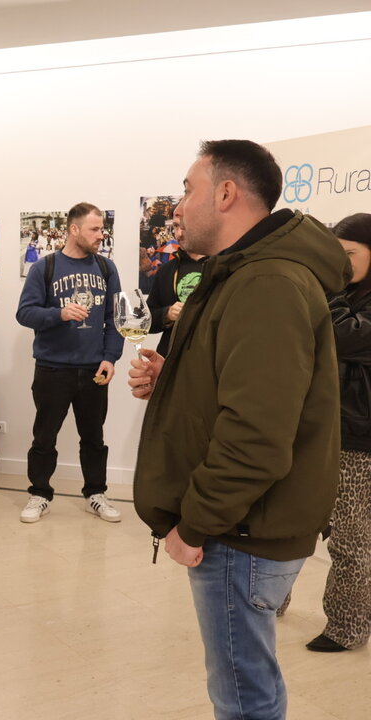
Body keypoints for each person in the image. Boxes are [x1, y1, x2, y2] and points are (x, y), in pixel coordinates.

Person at [128, 140, 349, 719]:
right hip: (242, 524)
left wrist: (195, 525)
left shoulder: (266, 282)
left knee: (244, 696)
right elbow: (242, 385)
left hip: (238, 530)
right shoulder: (243, 275)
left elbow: (257, 435)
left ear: (226, 194)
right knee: (247, 682)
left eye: (186, 189)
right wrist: (174, 377)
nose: (176, 205)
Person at [16, 202, 123, 524]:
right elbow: (24, 313)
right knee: (44, 436)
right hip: (52, 368)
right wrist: (58, 314)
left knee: (94, 437)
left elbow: (115, 317)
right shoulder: (44, 268)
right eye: (94, 229)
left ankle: (96, 493)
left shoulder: (106, 268)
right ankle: (39, 493)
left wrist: (110, 358)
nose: (100, 235)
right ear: (74, 229)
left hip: (93, 369)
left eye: (101, 229)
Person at [305, 212, 371, 653]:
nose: (341, 265)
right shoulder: (341, 295)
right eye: (336, 256)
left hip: (356, 438)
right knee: (292, 520)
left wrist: (326, 290)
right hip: (316, 428)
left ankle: (347, 626)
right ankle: (269, 601)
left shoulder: (339, 300)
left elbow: (340, 336)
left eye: (349, 255)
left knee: (350, 538)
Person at [145, 216, 207, 356]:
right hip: (171, 358)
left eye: (184, 227)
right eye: (176, 226)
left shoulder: (221, 264)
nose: (179, 234)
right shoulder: (167, 269)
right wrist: (167, 314)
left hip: (210, 358)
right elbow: (148, 320)